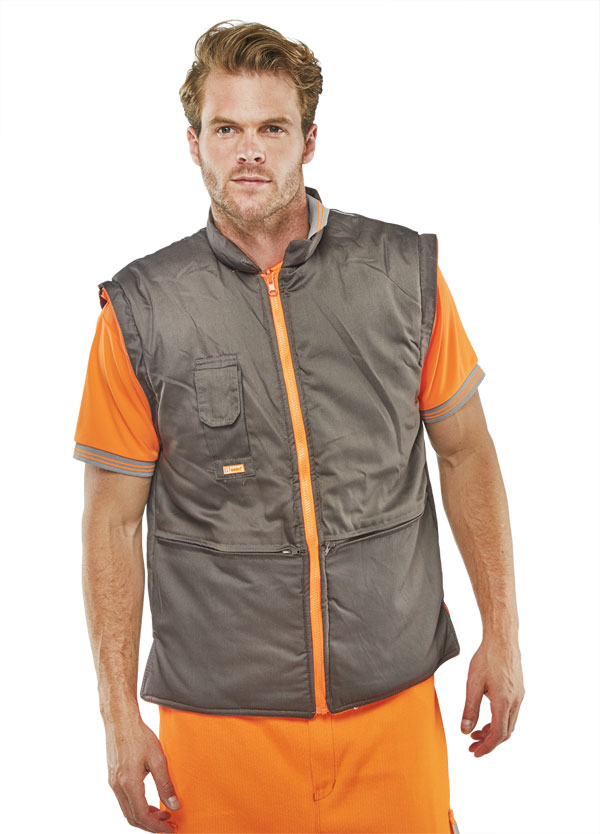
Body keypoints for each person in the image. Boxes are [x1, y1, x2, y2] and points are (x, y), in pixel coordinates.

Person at [74, 19, 525, 834]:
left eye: (272, 129)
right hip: (219, 729)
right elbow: (111, 521)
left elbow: (467, 455)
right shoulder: (142, 311)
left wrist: (504, 633)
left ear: (309, 141)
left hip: (390, 710)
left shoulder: (405, 275)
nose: (249, 151)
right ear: (193, 143)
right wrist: (116, 717)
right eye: (227, 129)